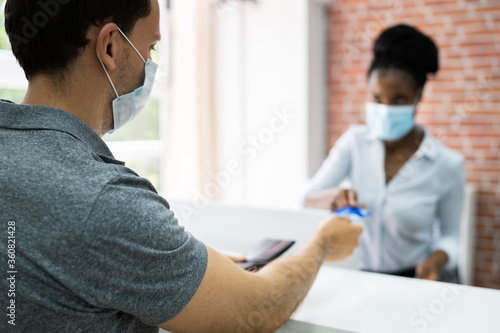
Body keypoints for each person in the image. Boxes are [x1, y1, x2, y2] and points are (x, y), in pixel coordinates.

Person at [0, 1, 362, 332]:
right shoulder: (104, 199)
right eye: (150, 47)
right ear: (110, 46)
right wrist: (323, 244)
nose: (151, 63)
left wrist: (166, 257)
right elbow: (259, 308)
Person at [304, 24, 465, 281]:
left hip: (414, 280)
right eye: (377, 99)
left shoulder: (447, 164)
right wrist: (331, 198)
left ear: (418, 95)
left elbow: (451, 237)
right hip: (356, 278)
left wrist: (436, 261)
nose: (386, 109)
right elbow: (305, 199)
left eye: (399, 99)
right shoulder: (354, 143)